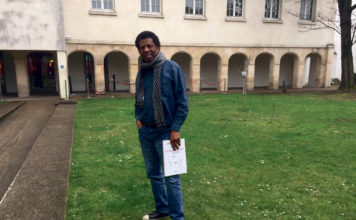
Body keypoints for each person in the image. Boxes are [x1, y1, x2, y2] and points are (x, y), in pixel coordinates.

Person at [134, 31, 189, 220]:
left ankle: (177, 217)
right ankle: (163, 209)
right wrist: (138, 119)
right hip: (146, 132)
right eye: (142, 47)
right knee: (153, 173)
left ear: (157, 47)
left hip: (166, 132)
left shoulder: (171, 68)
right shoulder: (141, 71)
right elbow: (138, 99)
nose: (146, 49)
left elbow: (183, 102)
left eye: (149, 45)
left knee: (172, 178)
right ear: (139, 50)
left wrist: (175, 129)